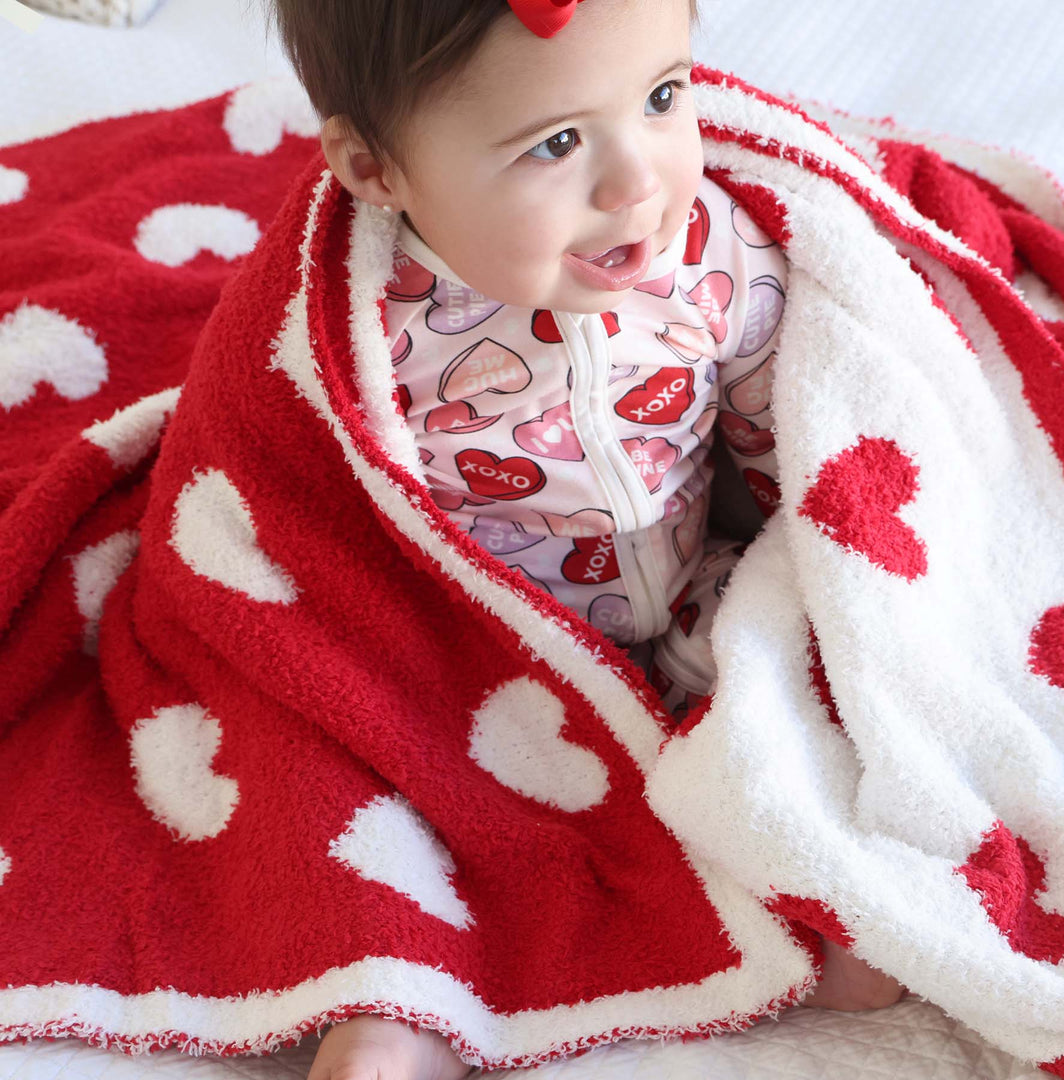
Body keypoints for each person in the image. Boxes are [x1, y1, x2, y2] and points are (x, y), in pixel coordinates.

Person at [266, 0, 906, 1076]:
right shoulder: (364, 345)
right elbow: (305, 528)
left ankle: (802, 895)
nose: (639, 185)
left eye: (662, 97)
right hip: (482, 660)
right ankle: (395, 998)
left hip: (695, 590)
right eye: (556, 144)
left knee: (801, 684)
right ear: (376, 171)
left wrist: (832, 556)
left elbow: (786, 421)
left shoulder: (711, 255)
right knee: (373, 791)